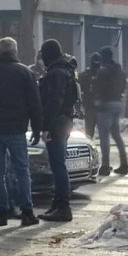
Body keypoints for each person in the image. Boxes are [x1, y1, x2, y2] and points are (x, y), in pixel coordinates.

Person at [0, 37, 43, 227]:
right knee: (22, 170)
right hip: (17, 129)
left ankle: (1, 212)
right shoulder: (24, 72)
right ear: (15, 52)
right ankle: (27, 211)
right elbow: (34, 103)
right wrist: (37, 127)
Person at [37, 39, 78, 222]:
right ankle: (58, 203)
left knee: (58, 165)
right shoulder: (65, 69)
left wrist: (46, 126)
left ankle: (63, 206)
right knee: (58, 164)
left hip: (57, 123)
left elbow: (54, 102)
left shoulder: (56, 73)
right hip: (64, 121)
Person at [95, 48, 128, 176]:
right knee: (116, 135)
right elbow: (123, 86)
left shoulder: (103, 71)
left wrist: (98, 100)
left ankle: (105, 165)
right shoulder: (119, 71)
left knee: (104, 136)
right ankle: (124, 164)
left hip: (106, 104)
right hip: (118, 103)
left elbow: (100, 88)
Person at [79, 53, 104, 140]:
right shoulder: (85, 75)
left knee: (101, 133)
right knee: (89, 133)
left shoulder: (102, 75)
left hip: (100, 107)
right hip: (91, 107)